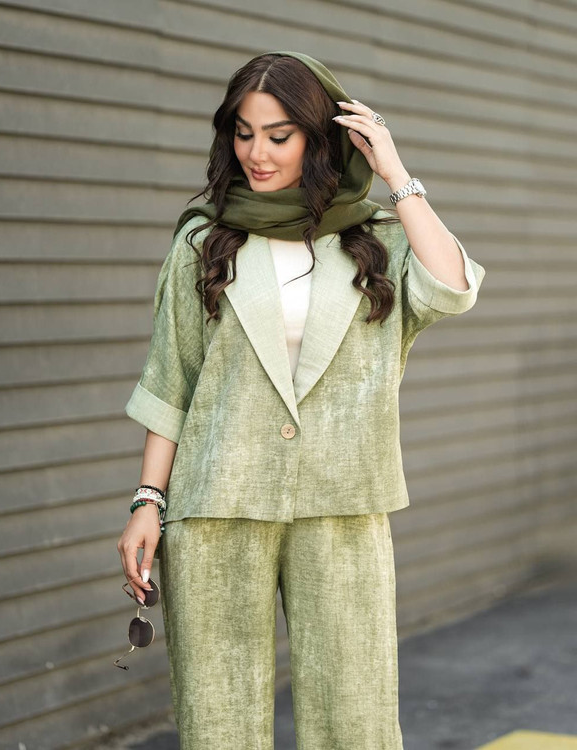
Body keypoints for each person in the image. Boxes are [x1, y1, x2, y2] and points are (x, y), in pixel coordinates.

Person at [117, 50, 485, 749]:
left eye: (278, 135)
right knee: (218, 718)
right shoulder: (203, 239)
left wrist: (396, 174)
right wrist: (147, 501)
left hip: (344, 500)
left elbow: (454, 288)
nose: (256, 153)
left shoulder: (377, 240)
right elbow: (172, 381)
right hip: (218, 500)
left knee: (356, 716)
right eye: (243, 133)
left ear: (318, 140)